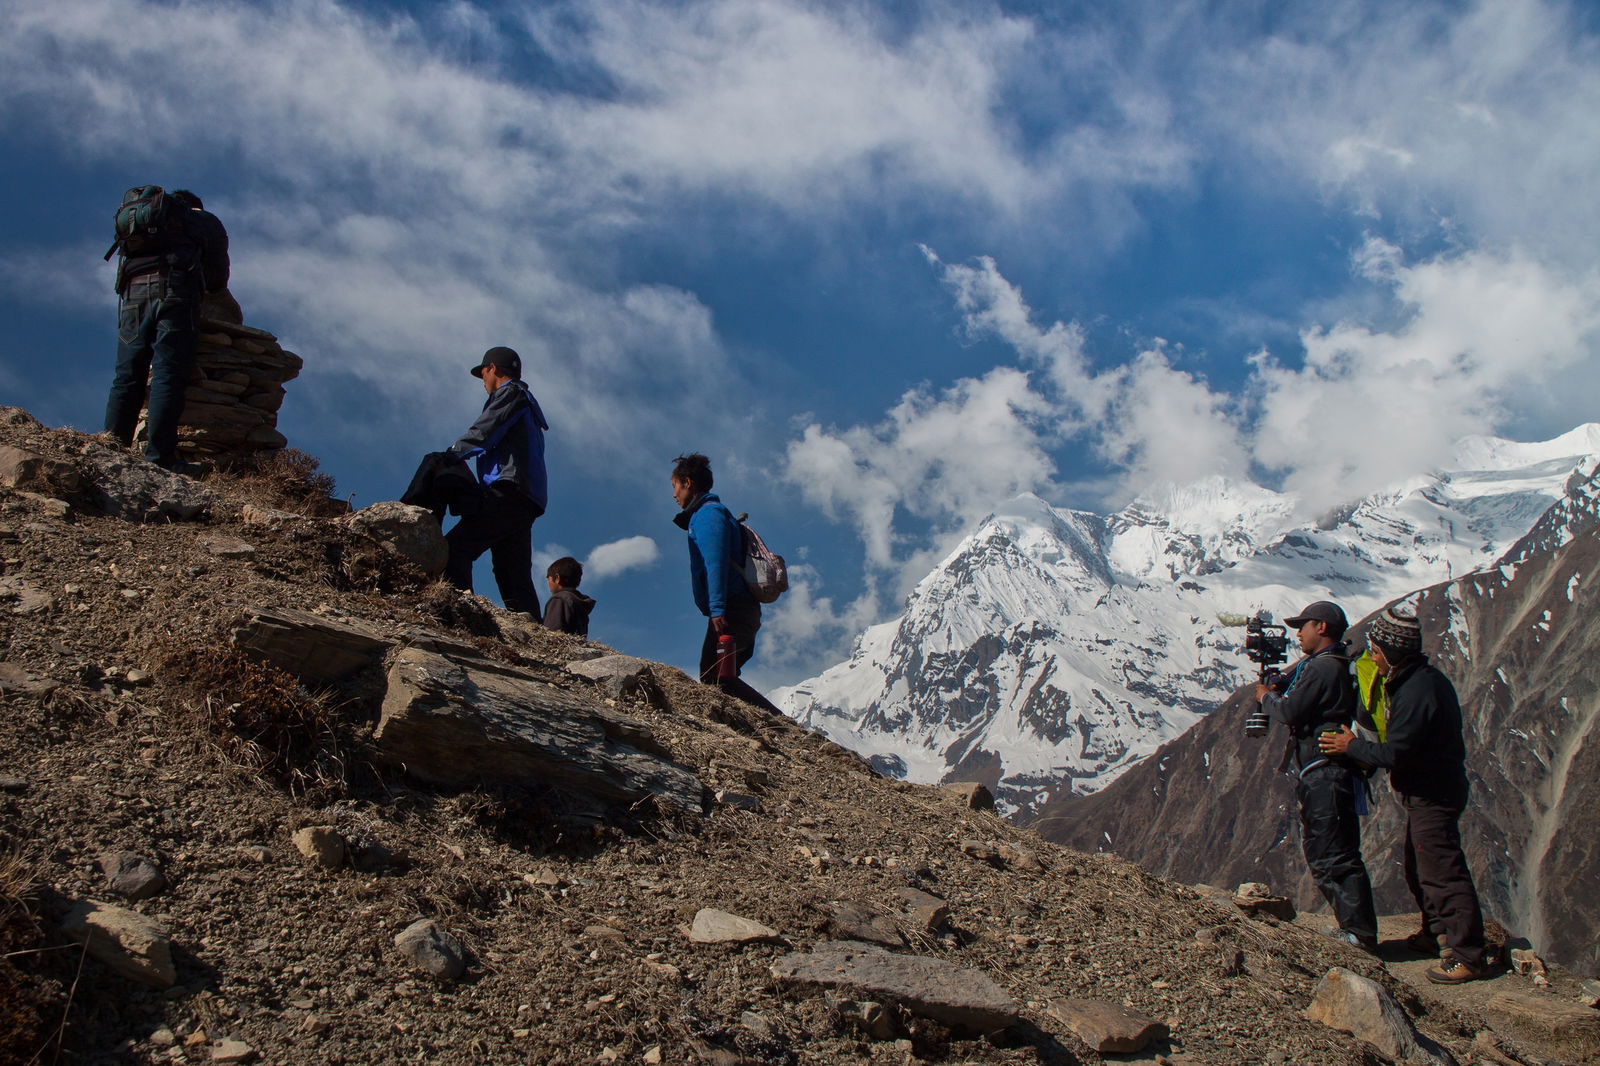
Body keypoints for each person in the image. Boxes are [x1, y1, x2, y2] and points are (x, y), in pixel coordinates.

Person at [1321, 605, 1489, 984]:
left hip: (1433, 792)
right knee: (1420, 866)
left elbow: (1396, 751)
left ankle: (1467, 954)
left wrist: (1351, 747)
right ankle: (1436, 934)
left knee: (1442, 872)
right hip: (1429, 789)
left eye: (1376, 652)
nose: (1373, 659)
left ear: (1390, 652)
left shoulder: (1415, 691)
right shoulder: (1418, 681)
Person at [1254, 600, 1380, 952]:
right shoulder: (1332, 663)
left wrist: (1266, 698)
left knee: (1332, 853)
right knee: (1332, 849)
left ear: (1321, 627)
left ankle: (1360, 935)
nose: (1298, 633)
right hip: (1329, 772)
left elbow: (1291, 712)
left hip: (1325, 773)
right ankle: (1356, 929)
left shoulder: (1322, 669)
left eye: (1304, 625)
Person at [104, 188, 230, 470]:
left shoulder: (145, 223)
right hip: (175, 290)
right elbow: (217, 277)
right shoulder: (203, 220)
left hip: (132, 294)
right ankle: (160, 457)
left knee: (127, 374)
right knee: (167, 373)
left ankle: (111, 445)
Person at [670, 453, 782, 714]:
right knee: (720, 676)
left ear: (687, 482)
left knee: (716, 676)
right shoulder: (711, 514)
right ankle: (768, 727)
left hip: (733, 609)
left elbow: (715, 561)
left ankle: (781, 725)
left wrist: (718, 608)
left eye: (674, 486)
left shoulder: (708, 514)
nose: (674, 494)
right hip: (742, 609)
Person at [444, 347, 549, 616]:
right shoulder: (527, 400)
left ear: (493, 368)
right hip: (528, 496)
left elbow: (484, 432)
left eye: (482, 372)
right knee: (511, 570)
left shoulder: (510, 394)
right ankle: (531, 630)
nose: (482, 379)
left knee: (456, 547)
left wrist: (451, 455)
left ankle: (459, 613)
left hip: (509, 489)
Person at [542, 556, 595, 637]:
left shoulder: (559, 599)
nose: (548, 583)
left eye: (548, 578)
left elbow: (552, 633)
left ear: (557, 578)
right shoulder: (579, 602)